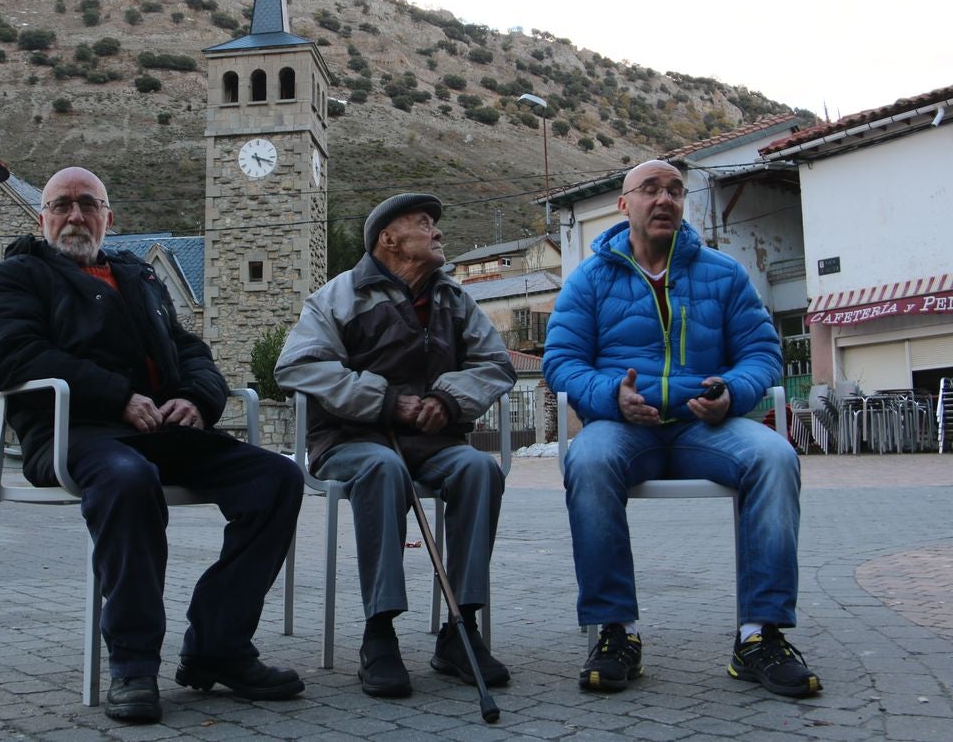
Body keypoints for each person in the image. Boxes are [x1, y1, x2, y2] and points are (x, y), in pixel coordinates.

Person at [0, 167, 304, 724]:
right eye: (62, 205)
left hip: (162, 431)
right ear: (42, 217)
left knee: (276, 479)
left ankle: (217, 646)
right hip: (77, 434)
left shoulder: (138, 277)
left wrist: (198, 400)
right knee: (128, 479)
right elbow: (5, 356)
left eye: (87, 204)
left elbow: (190, 349)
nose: (74, 216)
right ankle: (133, 663)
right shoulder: (18, 275)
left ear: (109, 217)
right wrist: (116, 397)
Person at [543, 159, 822, 698]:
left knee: (775, 457)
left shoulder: (723, 273)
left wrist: (733, 394)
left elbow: (762, 353)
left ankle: (759, 634)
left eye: (675, 190)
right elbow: (561, 360)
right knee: (589, 459)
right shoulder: (590, 279)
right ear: (624, 205)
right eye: (650, 190)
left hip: (705, 429)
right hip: (624, 427)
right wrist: (611, 397)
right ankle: (615, 630)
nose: (664, 199)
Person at [275, 192, 516, 698]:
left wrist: (448, 402)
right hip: (350, 439)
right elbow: (298, 367)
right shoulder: (338, 296)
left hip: (433, 441)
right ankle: (378, 633)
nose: (437, 232)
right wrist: (388, 402)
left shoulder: (454, 299)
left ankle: (460, 628)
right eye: (424, 223)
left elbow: (496, 365)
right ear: (388, 237)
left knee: (479, 469)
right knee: (383, 467)